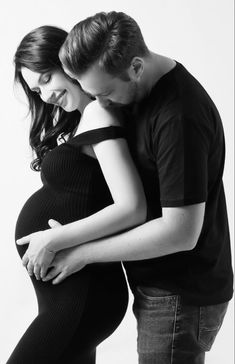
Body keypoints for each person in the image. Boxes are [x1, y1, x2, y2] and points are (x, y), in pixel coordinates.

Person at [42, 11, 233, 364]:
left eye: (104, 93)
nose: (101, 103)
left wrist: (81, 251)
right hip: (162, 288)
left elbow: (180, 232)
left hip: (180, 293)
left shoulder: (179, 117)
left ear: (135, 67)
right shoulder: (137, 90)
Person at [8, 25, 147, 364]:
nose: (44, 94)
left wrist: (51, 240)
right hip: (72, 294)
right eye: (34, 89)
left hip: (83, 295)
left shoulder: (98, 114)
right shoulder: (82, 119)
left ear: (66, 62)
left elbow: (132, 207)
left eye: (45, 78)